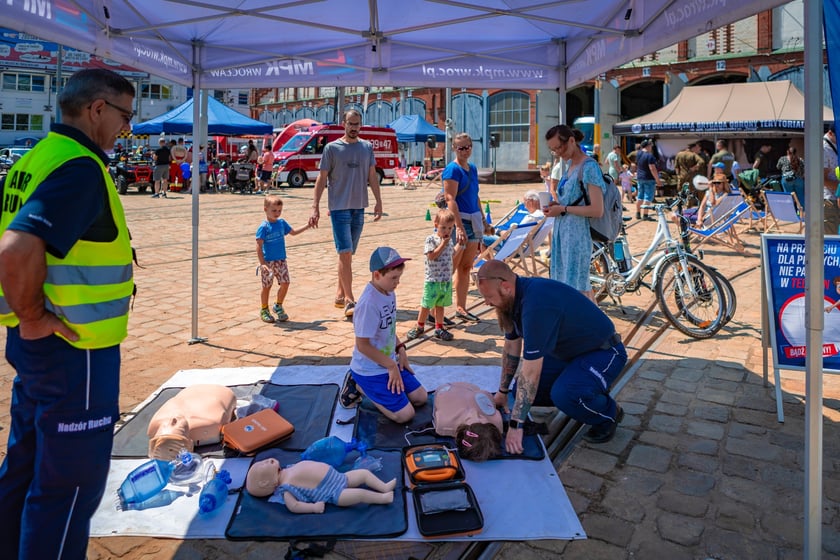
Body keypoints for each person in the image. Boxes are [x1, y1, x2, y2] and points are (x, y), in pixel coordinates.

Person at [0, 68, 135, 560]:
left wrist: (27, 323)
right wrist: (35, 316)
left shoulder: (35, 158)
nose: (127, 129)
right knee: (68, 489)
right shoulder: (78, 167)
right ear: (97, 109)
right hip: (75, 351)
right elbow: (14, 249)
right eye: (125, 116)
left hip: (36, 349)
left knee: (26, 468)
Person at [475, 261, 627, 451]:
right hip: (569, 354)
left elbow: (531, 371)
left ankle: (609, 413)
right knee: (519, 393)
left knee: (565, 394)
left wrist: (516, 425)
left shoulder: (536, 304)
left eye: (488, 297)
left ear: (505, 287)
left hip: (604, 353)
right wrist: (502, 392)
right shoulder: (511, 299)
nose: (487, 303)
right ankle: (585, 387)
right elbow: (512, 346)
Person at [309, 109, 383, 318]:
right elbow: (321, 179)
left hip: (359, 208)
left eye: (357, 124)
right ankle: (350, 300)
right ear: (344, 124)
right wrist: (315, 206)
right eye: (350, 123)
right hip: (339, 208)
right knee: (345, 253)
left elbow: (372, 177)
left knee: (347, 255)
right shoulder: (332, 149)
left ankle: (340, 293)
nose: (354, 128)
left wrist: (378, 202)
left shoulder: (366, 148)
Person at [340, 247, 428, 423]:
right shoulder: (368, 304)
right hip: (370, 370)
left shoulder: (388, 292)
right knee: (405, 415)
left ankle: (378, 387)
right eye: (393, 278)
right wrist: (391, 366)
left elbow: (389, 328)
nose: (397, 283)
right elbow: (362, 345)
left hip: (388, 362)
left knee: (421, 397)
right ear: (377, 275)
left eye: (399, 278)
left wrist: (400, 349)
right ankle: (357, 384)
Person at [542, 125, 605, 302]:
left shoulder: (589, 167)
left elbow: (597, 209)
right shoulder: (570, 166)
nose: (557, 153)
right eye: (553, 149)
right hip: (563, 234)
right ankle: (595, 325)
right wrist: (557, 205)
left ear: (571, 141)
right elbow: (571, 201)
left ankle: (585, 326)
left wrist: (562, 209)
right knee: (573, 286)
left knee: (576, 288)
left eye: (559, 147)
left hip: (577, 235)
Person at [244, 458, 396, 513]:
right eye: (262, 465)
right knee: (360, 494)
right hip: (334, 493)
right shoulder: (285, 488)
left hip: (340, 477)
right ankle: (383, 498)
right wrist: (313, 508)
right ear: (264, 482)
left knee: (363, 473)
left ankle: (384, 487)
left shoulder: (288, 468)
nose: (266, 461)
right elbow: (294, 506)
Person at [442, 132, 485, 322]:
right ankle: (437, 312)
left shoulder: (473, 168)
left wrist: (484, 219)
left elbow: (475, 195)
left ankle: (461, 307)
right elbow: (449, 198)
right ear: (454, 148)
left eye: (468, 147)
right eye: (461, 148)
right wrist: (458, 227)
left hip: (474, 220)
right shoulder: (452, 170)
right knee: (449, 267)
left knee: (466, 267)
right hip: (460, 221)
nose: (465, 151)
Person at [406, 208, 462, 342]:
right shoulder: (431, 239)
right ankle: (419, 326)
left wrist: (461, 245)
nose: (447, 231)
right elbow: (431, 256)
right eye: (443, 228)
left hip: (445, 280)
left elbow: (452, 254)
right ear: (436, 224)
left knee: (440, 305)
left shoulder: (448, 241)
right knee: (426, 304)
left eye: (450, 228)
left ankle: (439, 327)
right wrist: (443, 244)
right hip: (433, 280)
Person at [257, 195, 312, 323]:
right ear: (265, 209)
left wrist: (307, 226)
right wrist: (262, 264)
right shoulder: (264, 227)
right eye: (274, 210)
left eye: (279, 211)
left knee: (285, 283)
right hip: (268, 263)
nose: (277, 213)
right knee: (267, 286)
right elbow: (258, 246)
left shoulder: (282, 223)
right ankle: (264, 309)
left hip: (281, 261)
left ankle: (278, 305)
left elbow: (293, 232)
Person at [147, 384, 237, 460]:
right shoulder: (209, 422)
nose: (174, 420)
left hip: (214, 393)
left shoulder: (210, 422)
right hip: (215, 394)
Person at [433, 381, 504, 462]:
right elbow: (488, 396)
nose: (474, 413)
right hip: (471, 388)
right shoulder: (496, 421)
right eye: (481, 417)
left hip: (446, 389)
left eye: (471, 420)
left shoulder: (444, 422)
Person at [633, 139, 662, 220]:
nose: (651, 148)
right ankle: (645, 215)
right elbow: (652, 168)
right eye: (651, 146)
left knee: (640, 196)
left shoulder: (638, 154)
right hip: (649, 178)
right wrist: (657, 180)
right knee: (648, 197)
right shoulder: (650, 156)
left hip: (640, 178)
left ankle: (638, 213)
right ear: (648, 146)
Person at [824, 126, 840, 235]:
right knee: (831, 238)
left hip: (837, 198)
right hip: (830, 200)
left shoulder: (836, 144)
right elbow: (822, 180)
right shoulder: (823, 148)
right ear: (830, 133)